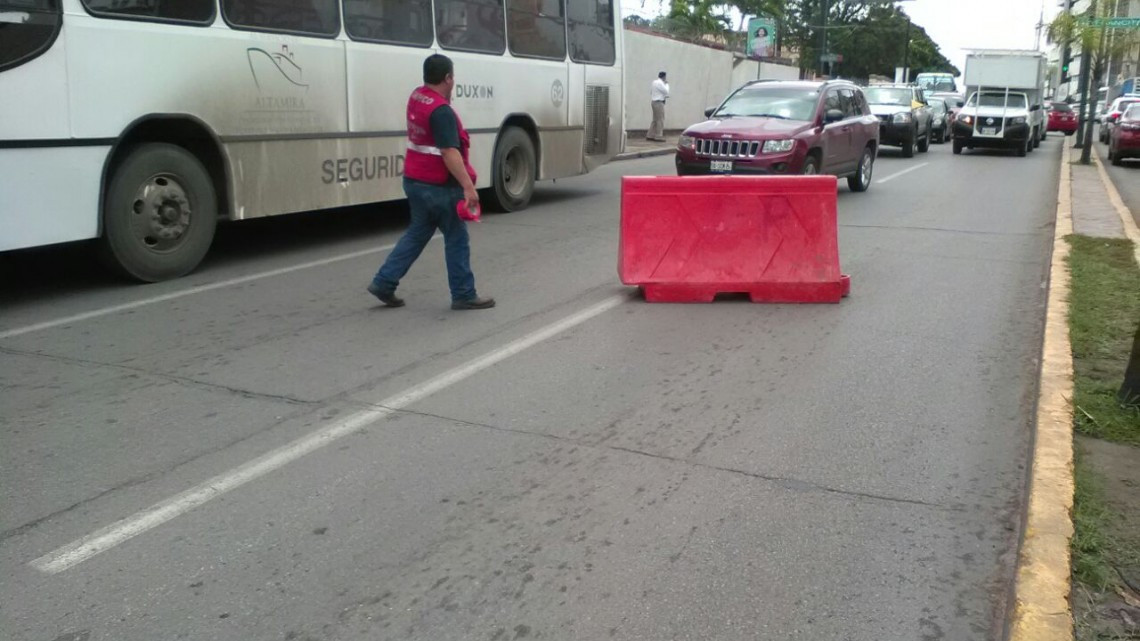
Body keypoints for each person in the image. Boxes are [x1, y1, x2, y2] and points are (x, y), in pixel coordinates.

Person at [367, 54, 495, 310]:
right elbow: (449, 152)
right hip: (438, 186)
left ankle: (384, 281)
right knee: (457, 237)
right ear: (447, 78)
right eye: (452, 77)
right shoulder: (441, 111)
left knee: (417, 232)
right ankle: (463, 294)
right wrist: (469, 188)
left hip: (414, 180)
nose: (453, 82)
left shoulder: (417, 97)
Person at [648, 71, 669, 142]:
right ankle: (658, 136)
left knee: (655, 119)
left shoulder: (654, 82)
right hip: (659, 102)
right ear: (664, 77)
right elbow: (666, 92)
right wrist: (666, 84)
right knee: (660, 119)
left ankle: (650, 135)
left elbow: (651, 92)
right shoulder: (661, 83)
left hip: (653, 102)